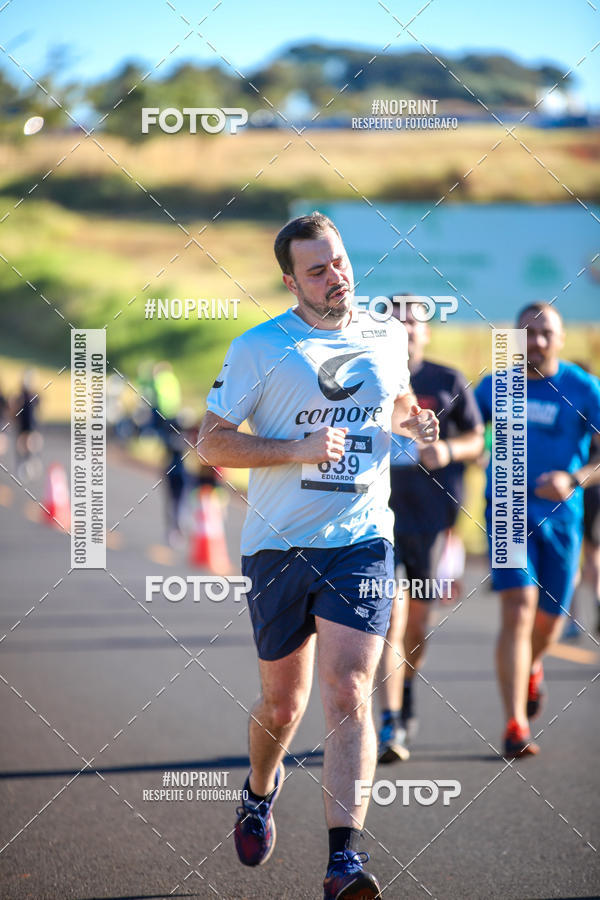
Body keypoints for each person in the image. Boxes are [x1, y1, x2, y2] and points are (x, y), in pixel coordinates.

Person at [198, 212, 439, 898]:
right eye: (317, 270)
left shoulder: (386, 334)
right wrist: (292, 451)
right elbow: (212, 442)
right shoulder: (259, 348)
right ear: (289, 280)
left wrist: (414, 424)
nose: (336, 278)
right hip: (278, 545)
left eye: (339, 262)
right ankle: (258, 789)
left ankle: (344, 861)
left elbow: (396, 405)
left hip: (361, 539)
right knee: (283, 705)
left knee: (349, 689)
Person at [475, 303, 600, 758]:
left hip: (562, 517)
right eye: (527, 334)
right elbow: (468, 432)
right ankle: (515, 724)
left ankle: (533, 666)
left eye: (546, 333)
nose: (537, 342)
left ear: (561, 339)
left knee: (551, 618)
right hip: (507, 509)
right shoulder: (494, 386)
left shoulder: (582, 387)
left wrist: (573, 478)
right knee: (519, 605)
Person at [376, 298, 484, 762]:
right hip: (377, 515)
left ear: (426, 333)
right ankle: (389, 723)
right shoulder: (368, 377)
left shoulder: (446, 381)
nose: (406, 332)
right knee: (389, 617)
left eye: (413, 325)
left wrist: (448, 452)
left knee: (418, 622)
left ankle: (406, 685)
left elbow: (477, 438)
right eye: (396, 325)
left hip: (433, 518)